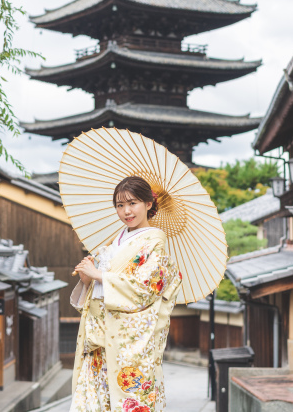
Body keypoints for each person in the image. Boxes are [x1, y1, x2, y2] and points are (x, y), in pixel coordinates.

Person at [69, 176, 183, 412]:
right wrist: (87, 280)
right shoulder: (114, 242)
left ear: (148, 204)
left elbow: (145, 289)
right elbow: (98, 291)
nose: (126, 211)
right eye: (120, 206)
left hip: (124, 340)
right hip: (100, 337)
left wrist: (101, 276)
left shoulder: (155, 244)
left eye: (132, 203)